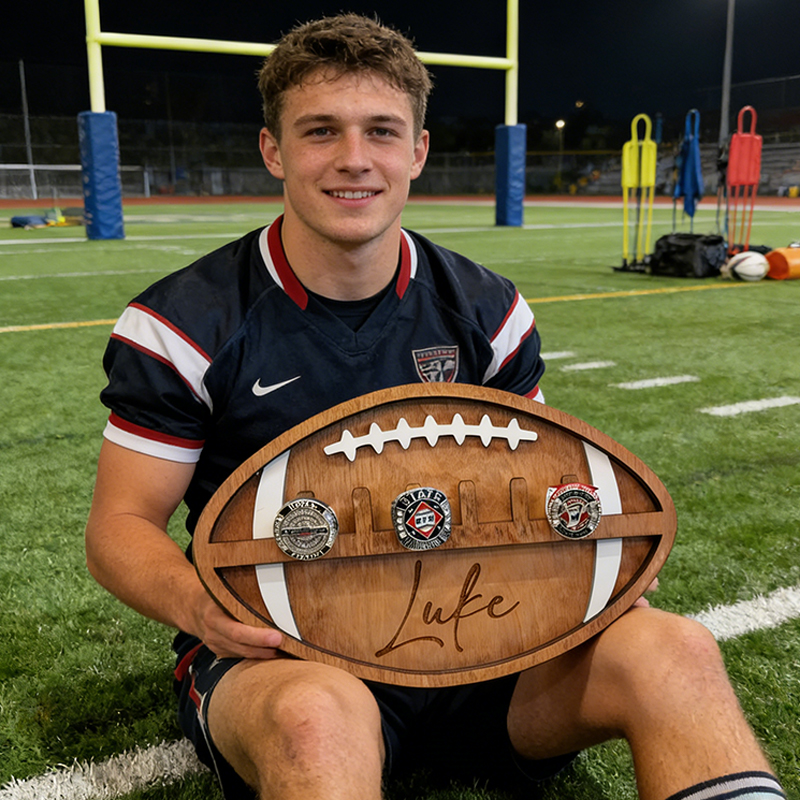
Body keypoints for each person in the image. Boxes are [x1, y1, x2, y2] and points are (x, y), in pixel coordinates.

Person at [85, 14, 785, 800]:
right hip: (292, 651)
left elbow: (540, 488)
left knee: (677, 651)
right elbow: (120, 526)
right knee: (315, 720)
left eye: (381, 131)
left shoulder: (486, 309)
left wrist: (593, 568)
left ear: (417, 151)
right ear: (273, 150)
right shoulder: (185, 322)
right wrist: (202, 607)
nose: (354, 159)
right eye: (321, 131)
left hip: (495, 637)